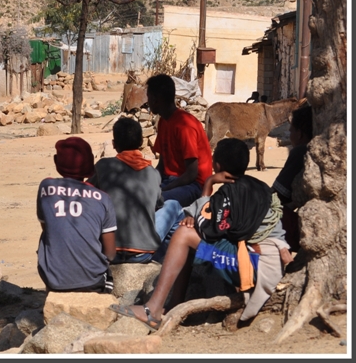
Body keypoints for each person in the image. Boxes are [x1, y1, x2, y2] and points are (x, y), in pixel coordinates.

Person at [111, 138, 291, 331]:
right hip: (267, 260)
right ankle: (173, 306)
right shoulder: (260, 188)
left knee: (182, 235)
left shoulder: (229, 195)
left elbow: (207, 227)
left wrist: (208, 185)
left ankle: (153, 309)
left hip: (254, 266)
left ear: (217, 165)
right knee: (188, 235)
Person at [91, 117, 184, 264]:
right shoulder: (153, 173)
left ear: (114, 144)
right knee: (174, 206)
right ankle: (163, 261)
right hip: (143, 254)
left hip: (108, 250)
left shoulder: (102, 166)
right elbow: (158, 205)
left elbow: (88, 196)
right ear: (141, 143)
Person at [37, 136, 118, 293]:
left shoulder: (45, 187)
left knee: (47, 236)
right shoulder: (102, 198)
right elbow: (110, 253)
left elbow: (46, 227)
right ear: (89, 164)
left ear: (56, 161)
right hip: (92, 281)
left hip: (54, 280)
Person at [147, 74, 212, 207]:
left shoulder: (185, 126)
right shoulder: (163, 121)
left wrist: (164, 189)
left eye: (148, 97)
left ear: (155, 99)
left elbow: (191, 173)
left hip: (193, 185)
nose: (147, 102)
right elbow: (162, 165)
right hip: (170, 180)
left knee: (154, 201)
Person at [272, 103, 312, 249]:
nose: (290, 135)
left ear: (300, 134)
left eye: (291, 131)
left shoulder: (300, 151)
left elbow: (277, 196)